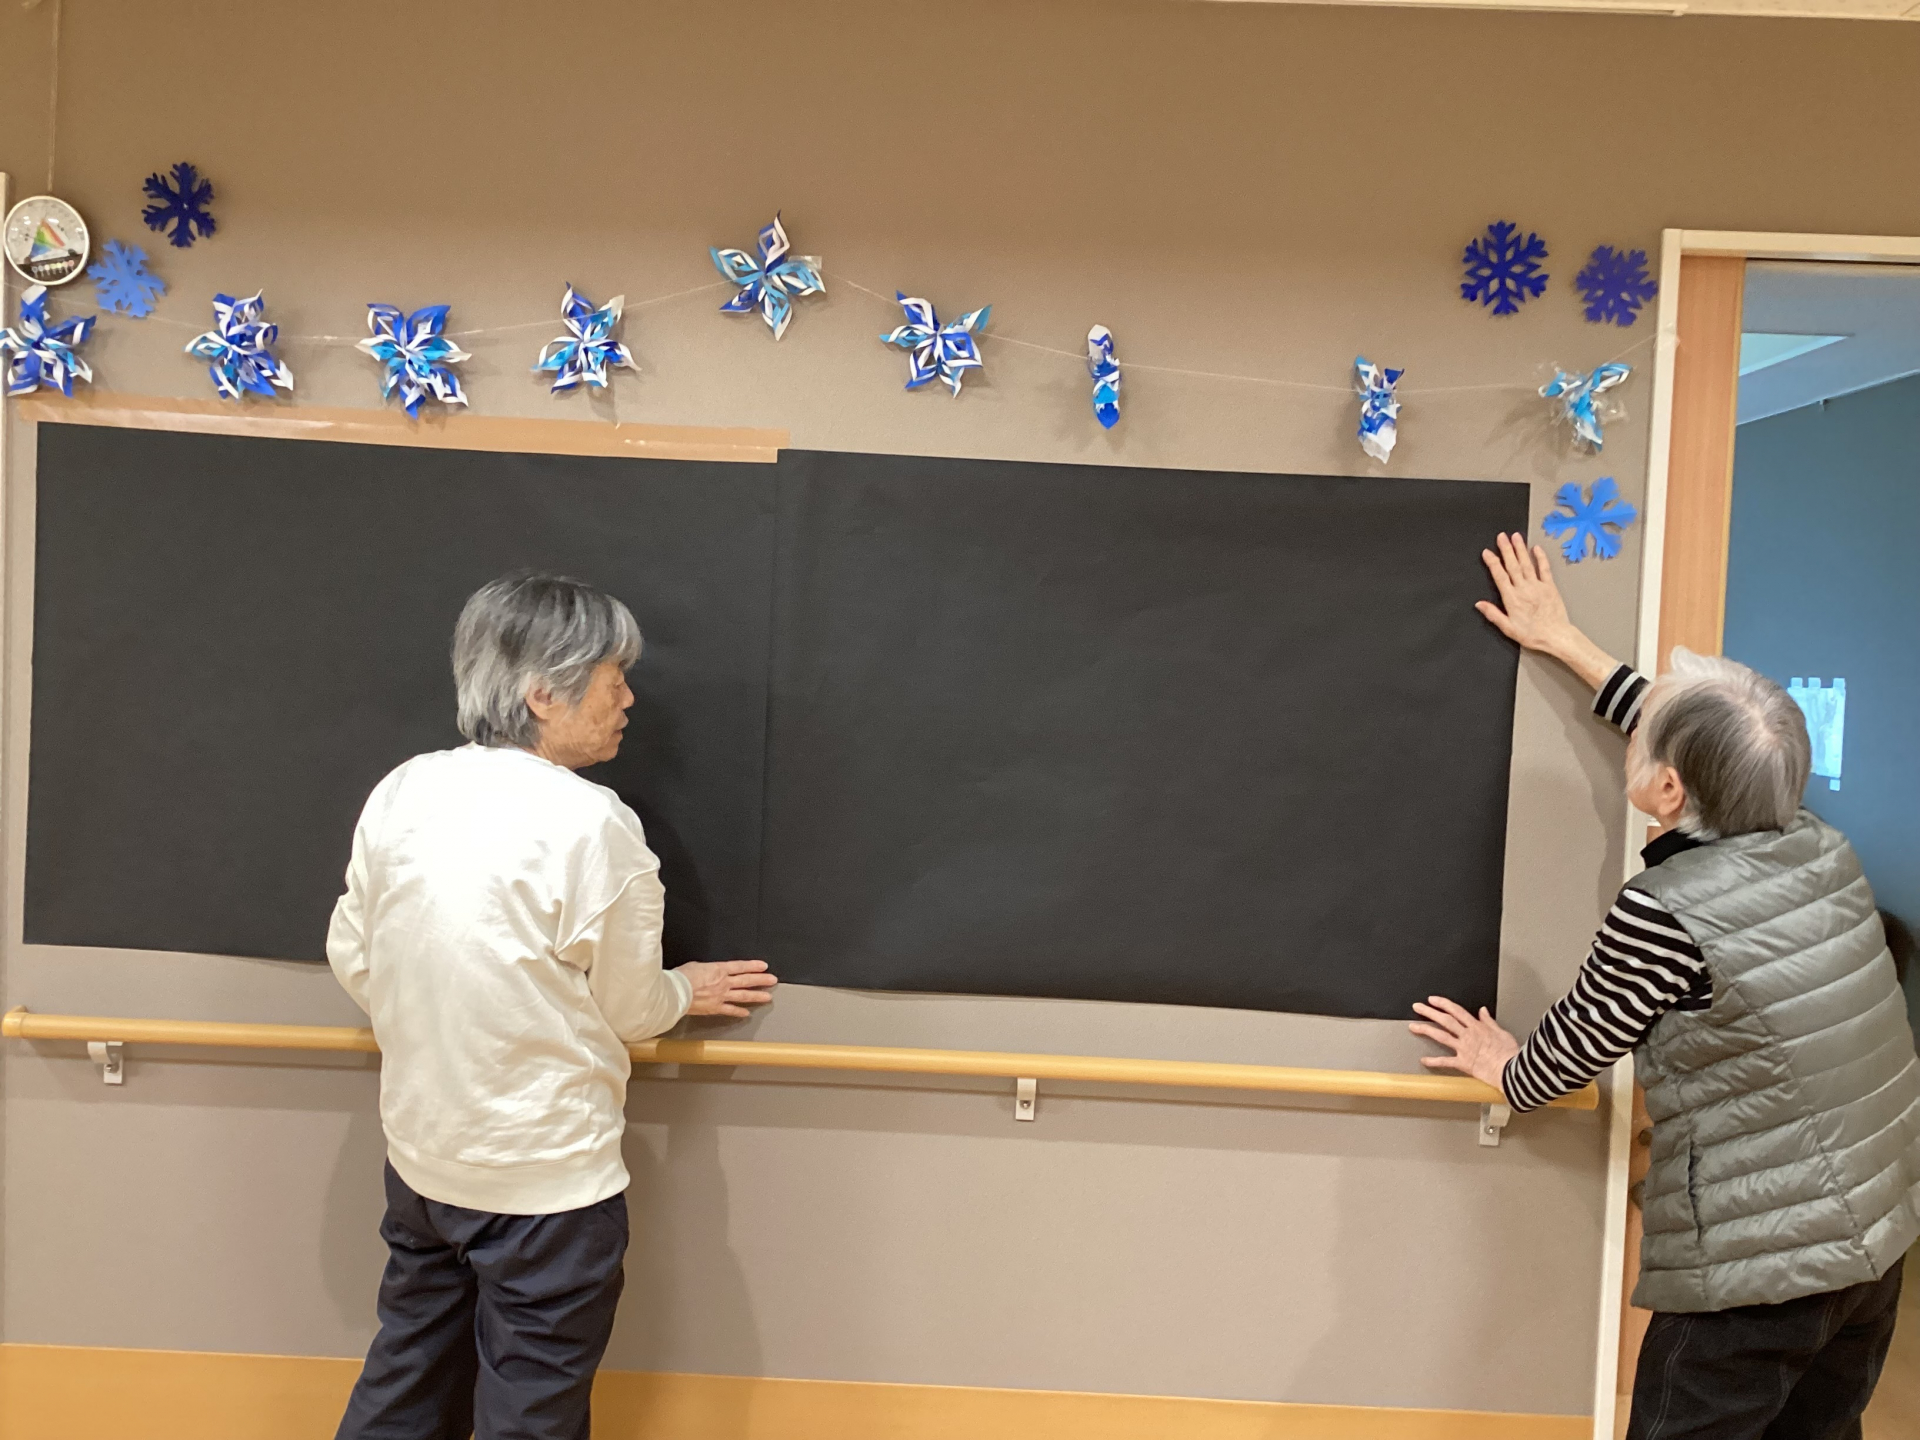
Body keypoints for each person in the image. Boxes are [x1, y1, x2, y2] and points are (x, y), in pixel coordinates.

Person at [1412, 534, 1920, 1440]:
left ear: (1670, 790)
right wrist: (1564, 641)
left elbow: (1555, 1066)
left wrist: (1500, 1063)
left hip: (1760, 1274)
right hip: (1876, 1238)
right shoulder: (1814, 840)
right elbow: (1709, 740)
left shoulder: (1665, 911)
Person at [326, 573, 777, 1440]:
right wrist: (686, 990)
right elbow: (633, 1008)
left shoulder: (405, 789)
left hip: (424, 1162)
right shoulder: (593, 824)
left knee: (405, 1382)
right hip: (548, 1188)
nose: (628, 700)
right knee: (531, 1414)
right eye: (615, 678)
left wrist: (441, 1016)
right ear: (543, 693)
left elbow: (354, 950)